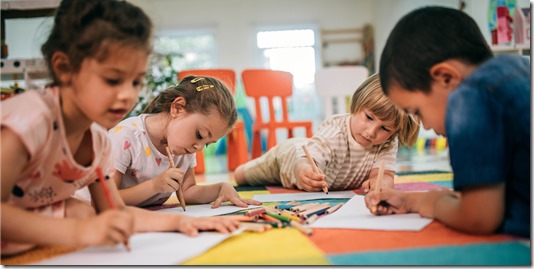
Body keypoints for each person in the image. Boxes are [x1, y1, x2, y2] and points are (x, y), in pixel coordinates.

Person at [1, 0, 239, 257]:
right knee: (82, 215)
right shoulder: (30, 122)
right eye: (113, 79)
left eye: (136, 81)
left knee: (81, 211)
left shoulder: (97, 142)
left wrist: (180, 222)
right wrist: (80, 232)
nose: (128, 95)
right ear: (65, 68)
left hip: (32, 223)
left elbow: (113, 211)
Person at [365, 6, 530, 238]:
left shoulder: (470, 96)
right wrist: (411, 200)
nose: (424, 126)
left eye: (417, 111)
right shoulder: (519, 69)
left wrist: (428, 204)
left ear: (446, 78)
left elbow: (479, 217)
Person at [235, 73, 420, 192]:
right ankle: (241, 170)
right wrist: (304, 170)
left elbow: (384, 174)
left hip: (313, 156)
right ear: (356, 106)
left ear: (394, 131)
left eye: (385, 128)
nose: (371, 132)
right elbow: (306, 160)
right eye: (369, 118)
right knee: (244, 177)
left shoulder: (388, 141)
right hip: (287, 157)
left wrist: (382, 184)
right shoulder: (335, 131)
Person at [108, 76, 261, 208]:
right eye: (200, 135)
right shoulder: (126, 137)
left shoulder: (183, 147)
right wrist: (154, 186)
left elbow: (187, 191)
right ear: (177, 108)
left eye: (207, 144)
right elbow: (105, 199)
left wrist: (222, 188)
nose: (199, 147)